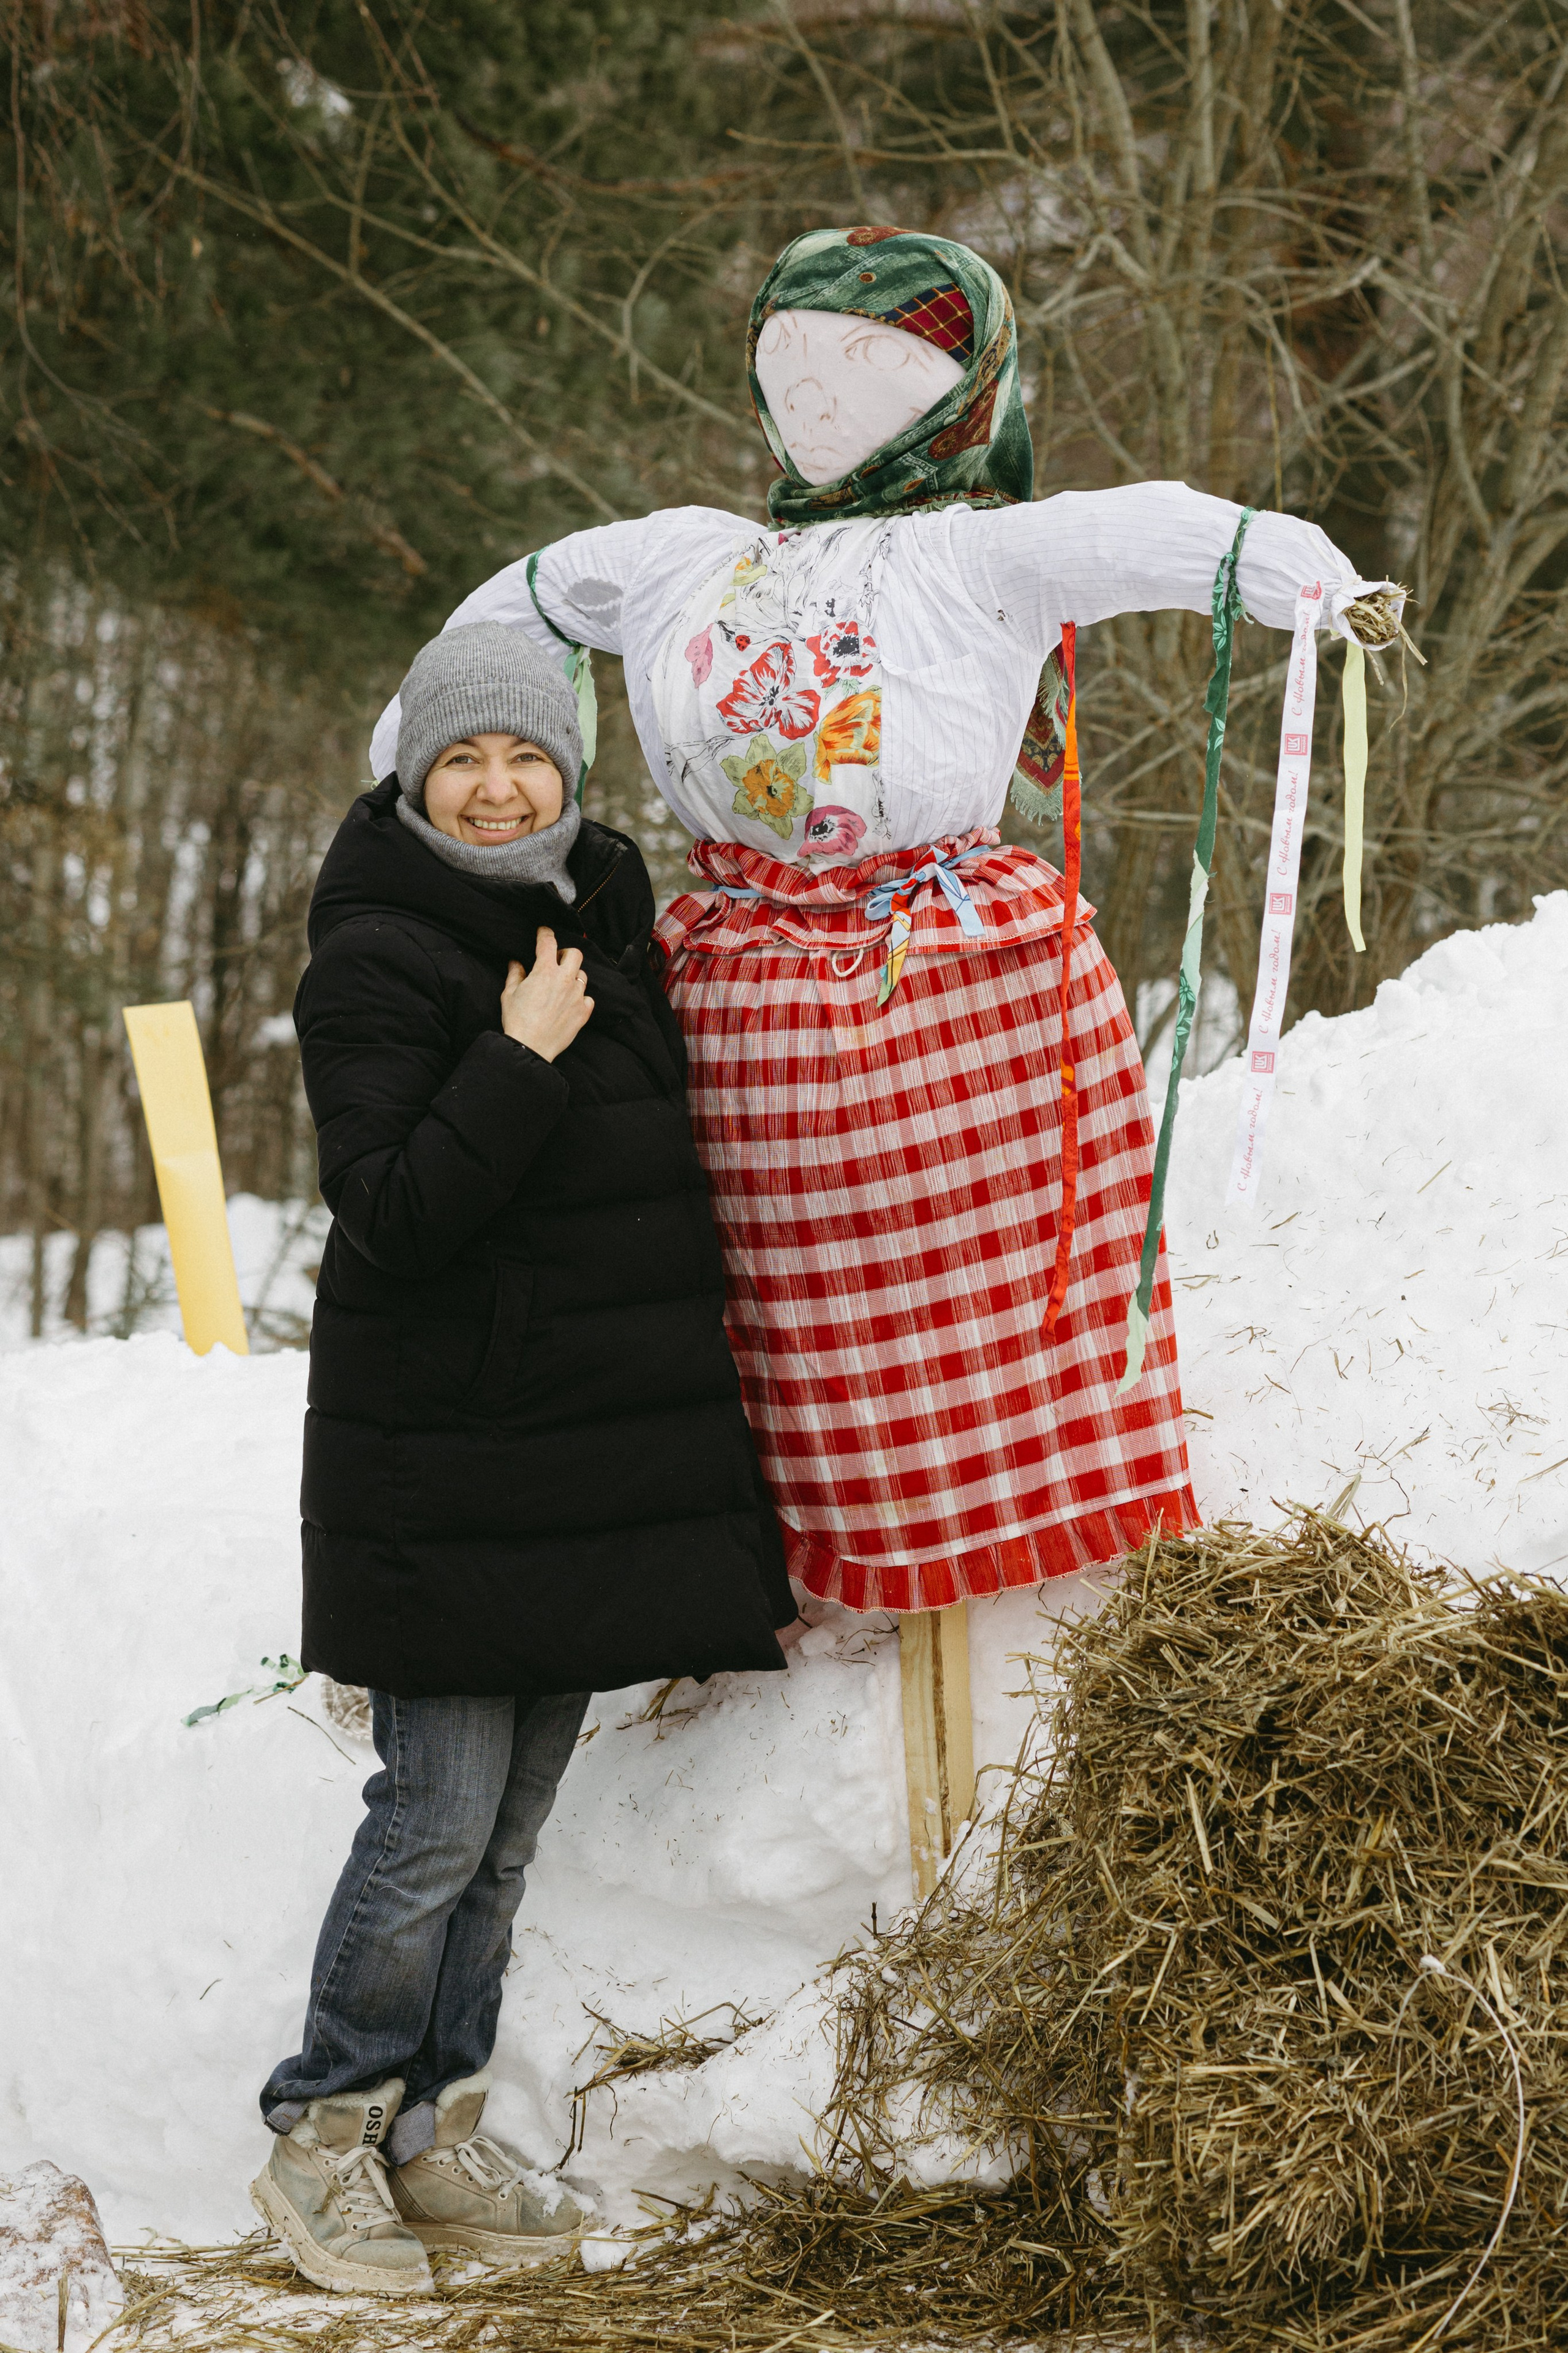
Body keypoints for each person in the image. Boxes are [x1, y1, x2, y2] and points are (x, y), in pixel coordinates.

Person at [369, 225, 1398, 1622]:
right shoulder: (685, 556)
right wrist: (425, 726)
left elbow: (1145, 529)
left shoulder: (979, 558)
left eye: (869, 361)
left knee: (996, 1268)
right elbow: (541, 592)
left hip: (951, 964)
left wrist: (1300, 574)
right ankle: (810, 1545)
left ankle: (1027, 1531)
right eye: (786, 354)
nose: (817, 385)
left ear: (960, 387)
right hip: (744, 984)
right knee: (777, 1303)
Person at [252, 623, 794, 2296]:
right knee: (429, 1820)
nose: (496, 788)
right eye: (461, 761)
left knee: (504, 1836)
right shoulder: (381, 954)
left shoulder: (600, 928)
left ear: (569, 771)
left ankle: (438, 2128)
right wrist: (519, 1055)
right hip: (442, 1466)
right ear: (413, 779)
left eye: (526, 757)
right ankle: (324, 2130)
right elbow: (398, 1209)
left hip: (569, 1477)